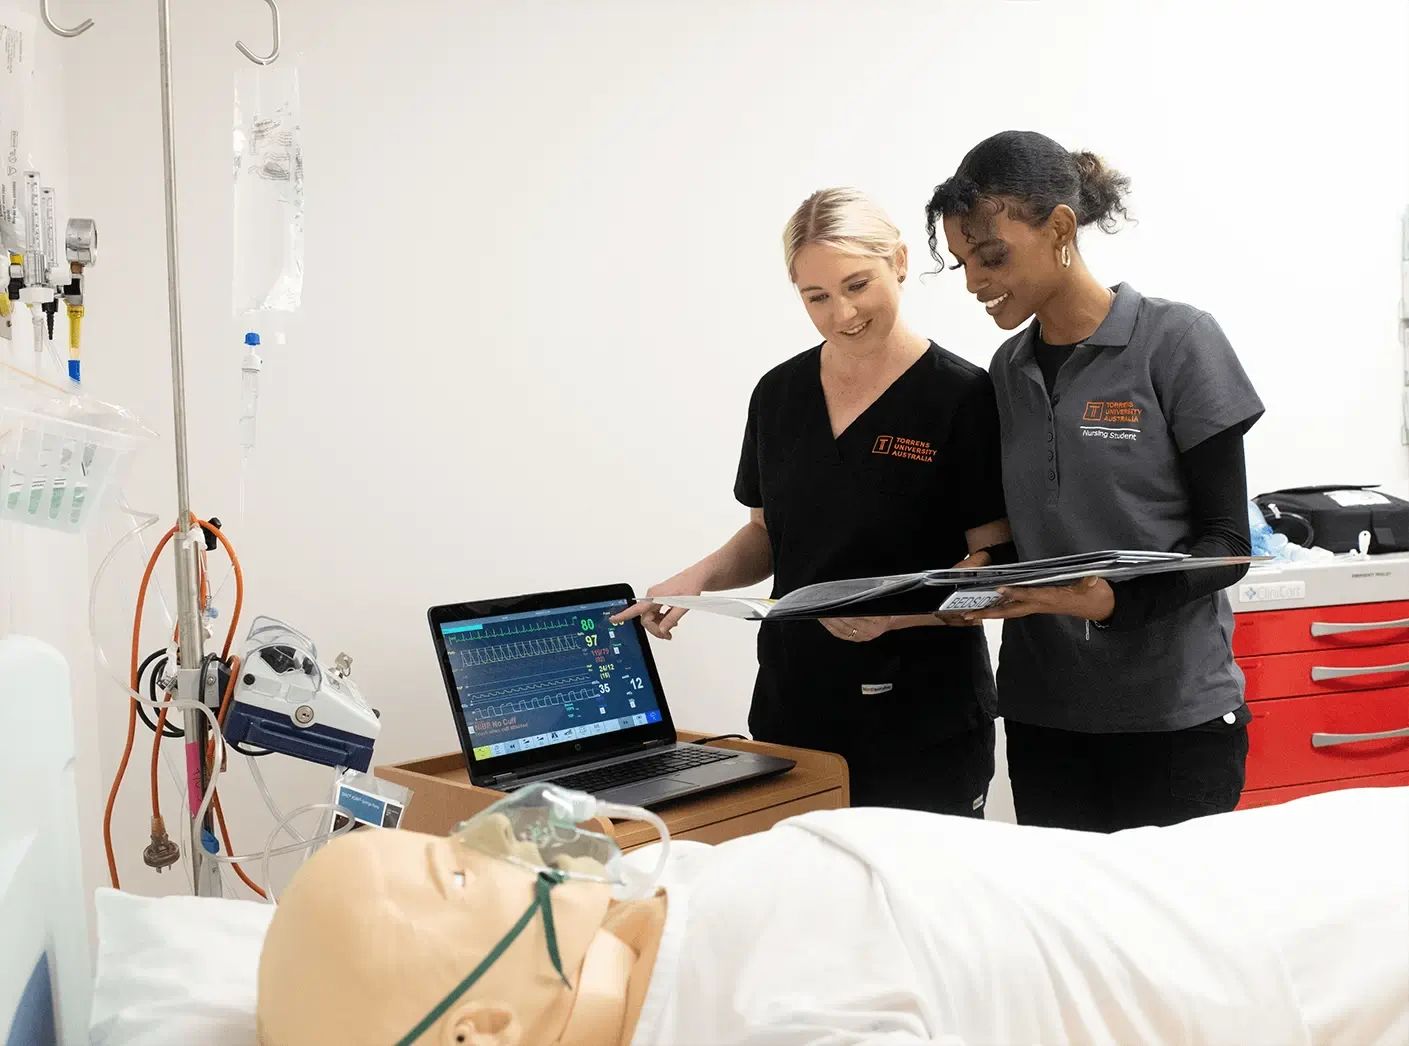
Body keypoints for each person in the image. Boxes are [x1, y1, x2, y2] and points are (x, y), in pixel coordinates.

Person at [256, 785, 1409, 1045]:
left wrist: (478, 826)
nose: (478, 856)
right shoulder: (764, 1022)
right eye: (451, 880)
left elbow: (552, 835)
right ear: (480, 1029)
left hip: (1200, 873)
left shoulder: (640, 910)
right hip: (1280, 966)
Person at [612, 187, 1009, 816]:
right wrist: (689, 584)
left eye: (857, 285)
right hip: (796, 708)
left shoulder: (963, 395)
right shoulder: (779, 394)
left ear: (899, 261)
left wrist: (899, 615)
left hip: (924, 719)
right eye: (816, 297)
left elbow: (995, 563)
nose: (842, 313)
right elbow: (768, 536)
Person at [924, 130, 1264, 833]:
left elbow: (1226, 546)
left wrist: (1115, 602)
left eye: (990, 257)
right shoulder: (1003, 371)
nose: (974, 283)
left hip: (1174, 720)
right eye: (961, 263)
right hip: (1045, 717)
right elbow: (1031, 540)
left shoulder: (1177, 340)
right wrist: (971, 578)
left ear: (1058, 229)